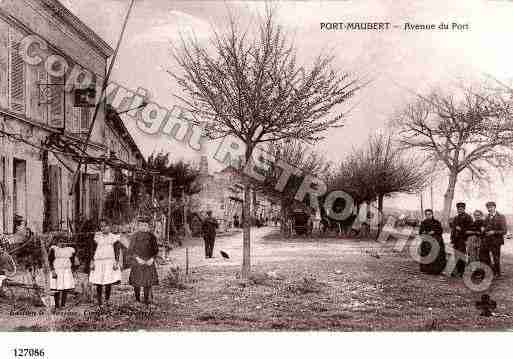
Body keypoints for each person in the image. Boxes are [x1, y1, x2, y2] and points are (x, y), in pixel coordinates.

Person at [89, 219, 122, 307]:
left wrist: (116, 262)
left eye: (105, 226)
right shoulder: (97, 237)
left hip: (109, 261)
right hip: (99, 261)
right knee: (99, 282)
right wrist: (92, 261)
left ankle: (107, 299)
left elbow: (117, 250)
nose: (103, 228)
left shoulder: (113, 237)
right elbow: (92, 250)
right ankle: (99, 301)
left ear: (109, 227)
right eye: (101, 226)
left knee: (108, 281)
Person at [128, 216, 159, 305]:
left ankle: (146, 300)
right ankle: (137, 300)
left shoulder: (152, 236)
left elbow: (155, 250)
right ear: (138, 226)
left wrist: (152, 259)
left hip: (149, 261)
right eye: (141, 225)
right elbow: (130, 250)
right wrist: (137, 259)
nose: (143, 227)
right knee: (136, 282)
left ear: (148, 226)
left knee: (147, 282)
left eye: (145, 225)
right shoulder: (135, 236)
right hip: (138, 261)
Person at [49, 238, 77, 310]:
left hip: (66, 270)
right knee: (56, 287)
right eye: (60, 241)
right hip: (57, 270)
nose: (62, 243)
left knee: (65, 287)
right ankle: (56, 305)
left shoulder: (70, 250)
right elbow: (50, 261)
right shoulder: (54, 249)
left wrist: (72, 270)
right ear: (57, 242)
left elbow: (72, 261)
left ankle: (63, 304)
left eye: (64, 242)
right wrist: (53, 270)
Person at [482, 201, 508, 278]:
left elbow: (504, 231)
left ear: (494, 207)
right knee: (485, 257)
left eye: (491, 207)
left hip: (496, 241)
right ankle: (490, 271)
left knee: (496, 257)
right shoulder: (487, 217)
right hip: (487, 241)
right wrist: (483, 229)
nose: (489, 209)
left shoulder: (501, 217)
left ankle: (498, 273)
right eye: (488, 207)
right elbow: (484, 227)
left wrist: (493, 232)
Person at [418, 209, 447, 275]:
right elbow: (420, 232)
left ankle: (436, 270)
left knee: (437, 255)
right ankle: (427, 270)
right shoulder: (423, 222)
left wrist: (434, 232)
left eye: (429, 214)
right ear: (425, 215)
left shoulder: (437, 222)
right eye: (427, 214)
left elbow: (440, 231)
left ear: (432, 214)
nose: (428, 216)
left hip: (436, 240)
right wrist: (424, 232)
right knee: (426, 253)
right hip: (427, 241)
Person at [450, 202, 473, 277]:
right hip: (456, 240)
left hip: (463, 239)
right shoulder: (456, 218)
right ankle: (457, 270)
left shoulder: (468, 217)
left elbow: (470, 229)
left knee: (462, 255)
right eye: (458, 209)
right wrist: (452, 239)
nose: (459, 210)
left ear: (464, 209)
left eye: (461, 209)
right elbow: (453, 229)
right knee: (456, 255)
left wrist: (461, 229)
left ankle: (461, 272)